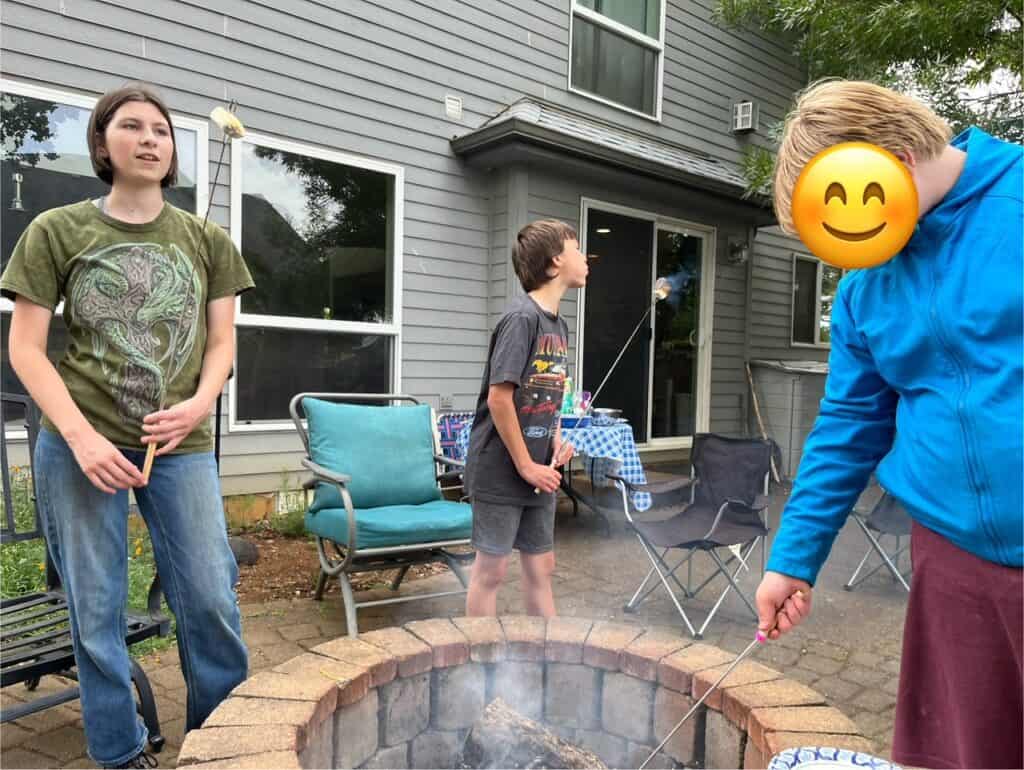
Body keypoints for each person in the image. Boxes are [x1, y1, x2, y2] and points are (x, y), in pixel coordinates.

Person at [756, 79, 1022, 769]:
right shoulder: (865, 288)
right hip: (953, 559)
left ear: (890, 158)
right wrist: (793, 557)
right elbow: (847, 425)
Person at [2, 84, 253, 768]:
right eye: (131, 126)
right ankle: (120, 752)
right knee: (97, 607)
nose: (150, 138)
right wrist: (81, 438)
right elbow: (24, 348)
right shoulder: (55, 231)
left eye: (162, 130)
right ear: (102, 144)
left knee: (208, 597)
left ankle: (224, 744)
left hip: (181, 446)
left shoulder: (207, 240)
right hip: (79, 446)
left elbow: (223, 345)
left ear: (172, 152)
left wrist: (200, 403)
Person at [463, 220, 589, 617]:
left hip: (539, 470)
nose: (586, 258)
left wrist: (553, 440)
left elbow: (547, 393)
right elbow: (500, 399)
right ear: (555, 262)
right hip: (501, 470)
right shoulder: (521, 319)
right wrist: (525, 465)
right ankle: (478, 665)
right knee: (492, 571)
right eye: (577, 248)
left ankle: (544, 663)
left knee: (541, 568)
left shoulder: (560, 325)